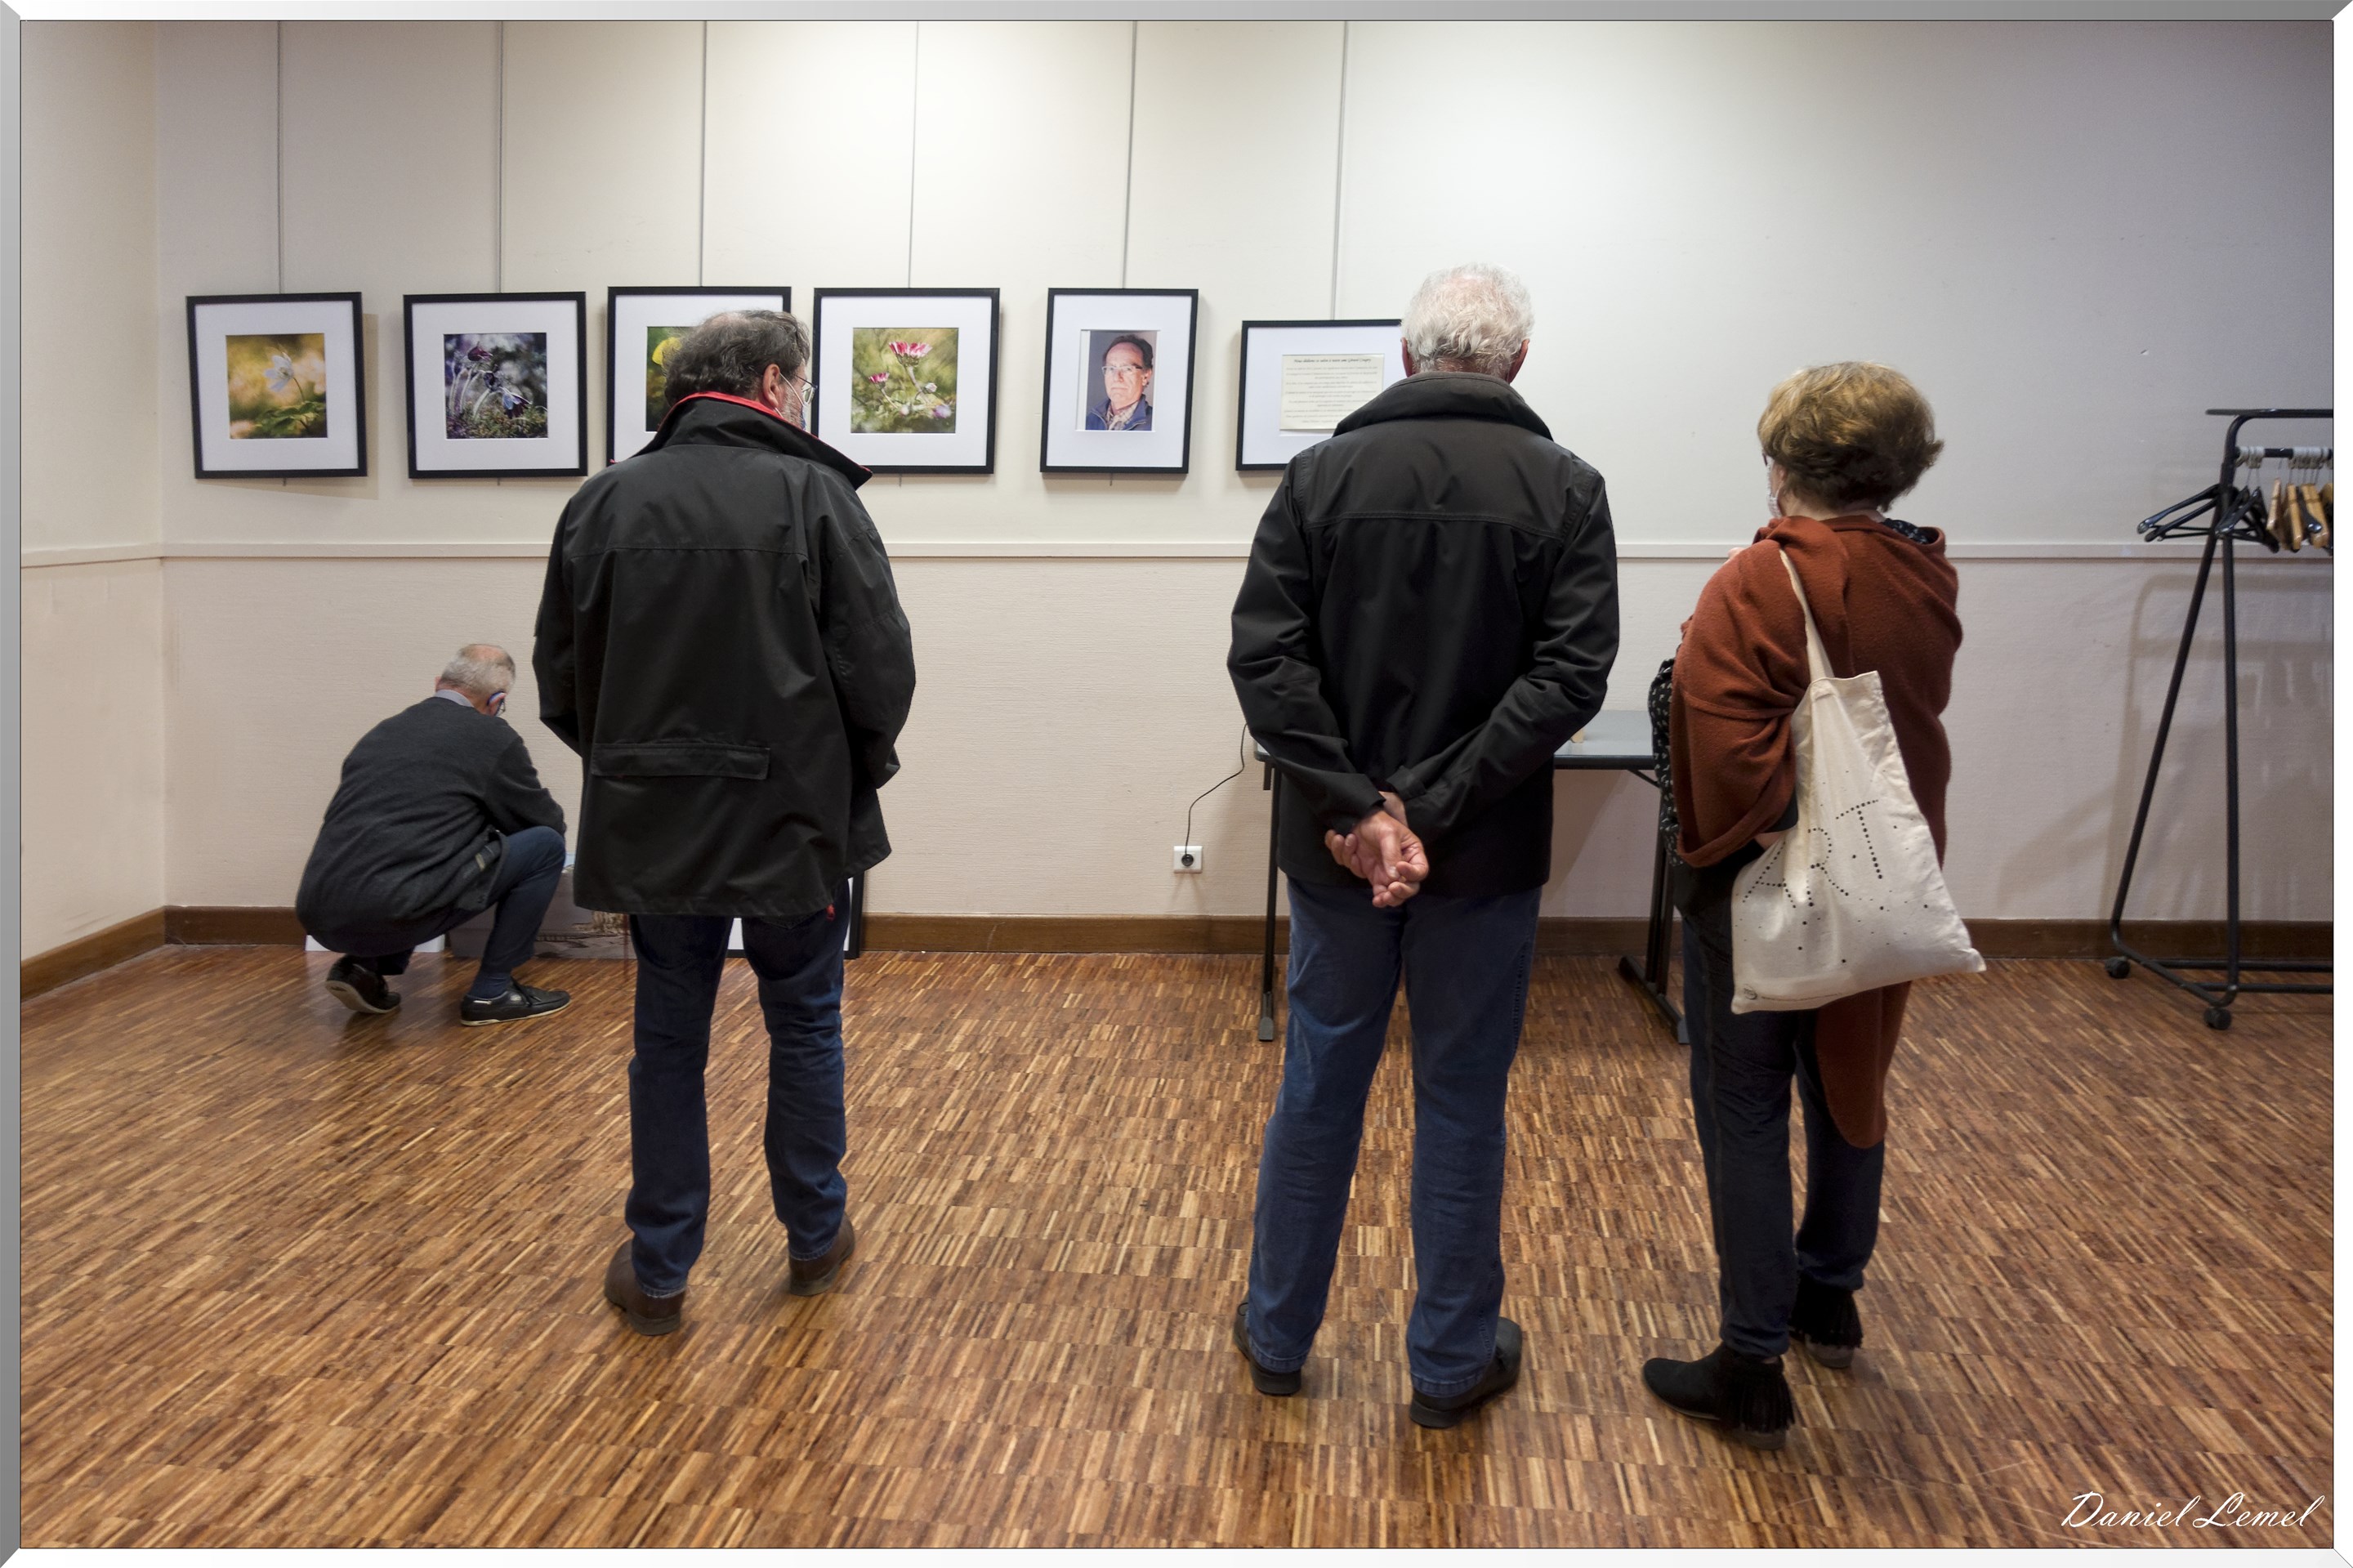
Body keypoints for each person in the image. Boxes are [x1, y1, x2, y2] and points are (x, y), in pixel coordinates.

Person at [1226, 263, 1619, 1428]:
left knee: (1319, 1085)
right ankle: (1449, 1363)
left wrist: (1362, 811)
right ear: (1518, 365)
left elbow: (1266, 663)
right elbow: (1571, 677)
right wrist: (1431, 810)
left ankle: (1278, 1333)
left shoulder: (1320, 476)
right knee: (1461, 1097)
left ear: (1407, 358)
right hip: (1481, 858)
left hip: (1342, 856)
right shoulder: (1568, 487)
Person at [535, 309, 918, 1338]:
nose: (803, 401)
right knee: (804, 1021)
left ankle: (659, 1267)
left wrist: (639, 769)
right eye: (800, 385)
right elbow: (882, 674)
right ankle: (814, 1236)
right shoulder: (817, 497)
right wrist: (843, 778)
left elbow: (562, 684)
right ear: (770, 383)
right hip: (794, 821)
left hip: (656, 821)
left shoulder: (602, 500)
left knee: (668, 1035)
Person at [1641, 362, 1958, 1450]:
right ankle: (1832, 1289)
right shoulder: (1926, 573)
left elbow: (1728, 759)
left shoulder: (1759, 578)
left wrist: (1740, 836)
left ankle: (1749, 1359)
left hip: (1767, 886)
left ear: (1784, 464)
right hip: (1890, 874)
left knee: (1743, 1104)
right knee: (1851, 1072)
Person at [295, 645, 572, 1025]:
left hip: (318, 913)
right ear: (497, 701)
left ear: (439, 683)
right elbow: (544, 822)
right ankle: (493, 992)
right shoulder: (490, 736)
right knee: (545, 846)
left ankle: (364, 968)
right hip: (395, 910)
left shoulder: (383, 731)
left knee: (416, 846)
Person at [1084, 334, 1154, 430]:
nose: (1117, 378)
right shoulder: (1088, 422)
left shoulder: (1157, 426)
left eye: (1127, 369)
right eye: (1111, 369)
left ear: (1145, 376)